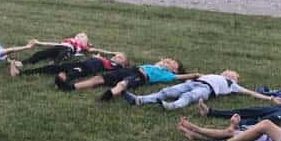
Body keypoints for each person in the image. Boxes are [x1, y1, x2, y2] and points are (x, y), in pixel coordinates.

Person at [123, 70, 281, 111]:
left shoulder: (232, 85)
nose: (229, 74)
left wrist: (270, 99)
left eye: (233, 75)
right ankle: (139, 99)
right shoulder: (211, 74)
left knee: (188, 97)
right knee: (167, 91)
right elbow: (193, 76)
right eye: (228, 72)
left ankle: (171, 106)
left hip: (206, 89)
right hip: (194, 82)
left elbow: (250, 92)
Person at [56, 58, 199, 101]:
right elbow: (161, 61)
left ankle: (109, 94)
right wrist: (162, 62)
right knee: (98, 78)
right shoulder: (156, 65)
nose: (168, 62)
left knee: (123, 83)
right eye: (168, 60)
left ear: (174, 70)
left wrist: (195, 75)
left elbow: (182, 76)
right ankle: (70, 87)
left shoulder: (168, 75)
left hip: (141, 77)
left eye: (172, 63)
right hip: (132, 70)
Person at [8, 51, 129, 79]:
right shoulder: (106, 59)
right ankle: (20, 73)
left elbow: (114, 70)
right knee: (51, 68)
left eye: (120, 57)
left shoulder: (116, 66)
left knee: (74, 73)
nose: (116, 56)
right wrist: (96, 57)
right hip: (80, 63)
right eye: (116, 55)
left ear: (123, 64)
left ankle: (63, 80)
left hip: (86, 68)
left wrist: (98, 58)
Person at [24, 32, 95, 64]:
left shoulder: (82, 45)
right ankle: (24, 62)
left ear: (86, 42)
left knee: (64, 52)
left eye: (82, 36)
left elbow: (93, 50)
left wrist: (92, 47)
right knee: (40, 53)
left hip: (68, 50)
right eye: (78, 35)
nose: (79, 36)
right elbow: (53, 44)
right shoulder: (67, 41)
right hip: (59, 47)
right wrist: (39, 43)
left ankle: (55, 63)